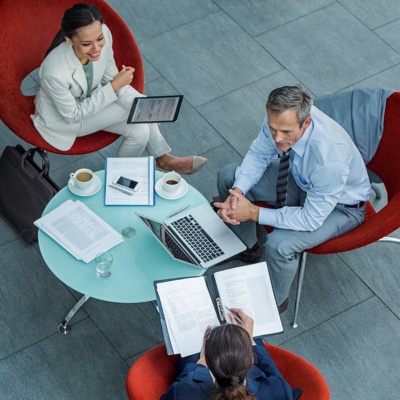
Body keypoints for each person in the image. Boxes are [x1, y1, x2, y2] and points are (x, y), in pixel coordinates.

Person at [214, 85, 370, 312]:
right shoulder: (280, 118)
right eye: (273, 128)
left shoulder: (329, 159)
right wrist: (238, 191)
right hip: (301, 179)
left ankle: (275, 302)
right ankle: (247, 247)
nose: (278, 138)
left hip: (342, 207)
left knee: (279, 245)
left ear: (306, 123)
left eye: (286, 132)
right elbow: (259, 154)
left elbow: (310, 219)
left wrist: (253, 212)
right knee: (229, 176)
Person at [31, 3, 207, 174]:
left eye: (99, 39)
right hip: (64, 120)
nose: (96, 48)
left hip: (92, 100)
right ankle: (164, 160)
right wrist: (137, 103)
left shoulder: (104, 35)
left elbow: (112, 81)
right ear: (69, 40)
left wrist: (142, 103)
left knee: (140, 131)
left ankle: (118, 179)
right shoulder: (54, 71)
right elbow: (73, 114)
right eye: (86, 44)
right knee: (138, 114)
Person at [161, 308, 300, 400]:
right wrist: (250, 339)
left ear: (210, 364)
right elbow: (273, 373)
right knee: (257, 339)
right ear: (252, 360)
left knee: (188, 354)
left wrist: (200, 364)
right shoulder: (279, 390)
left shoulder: (181, 392)